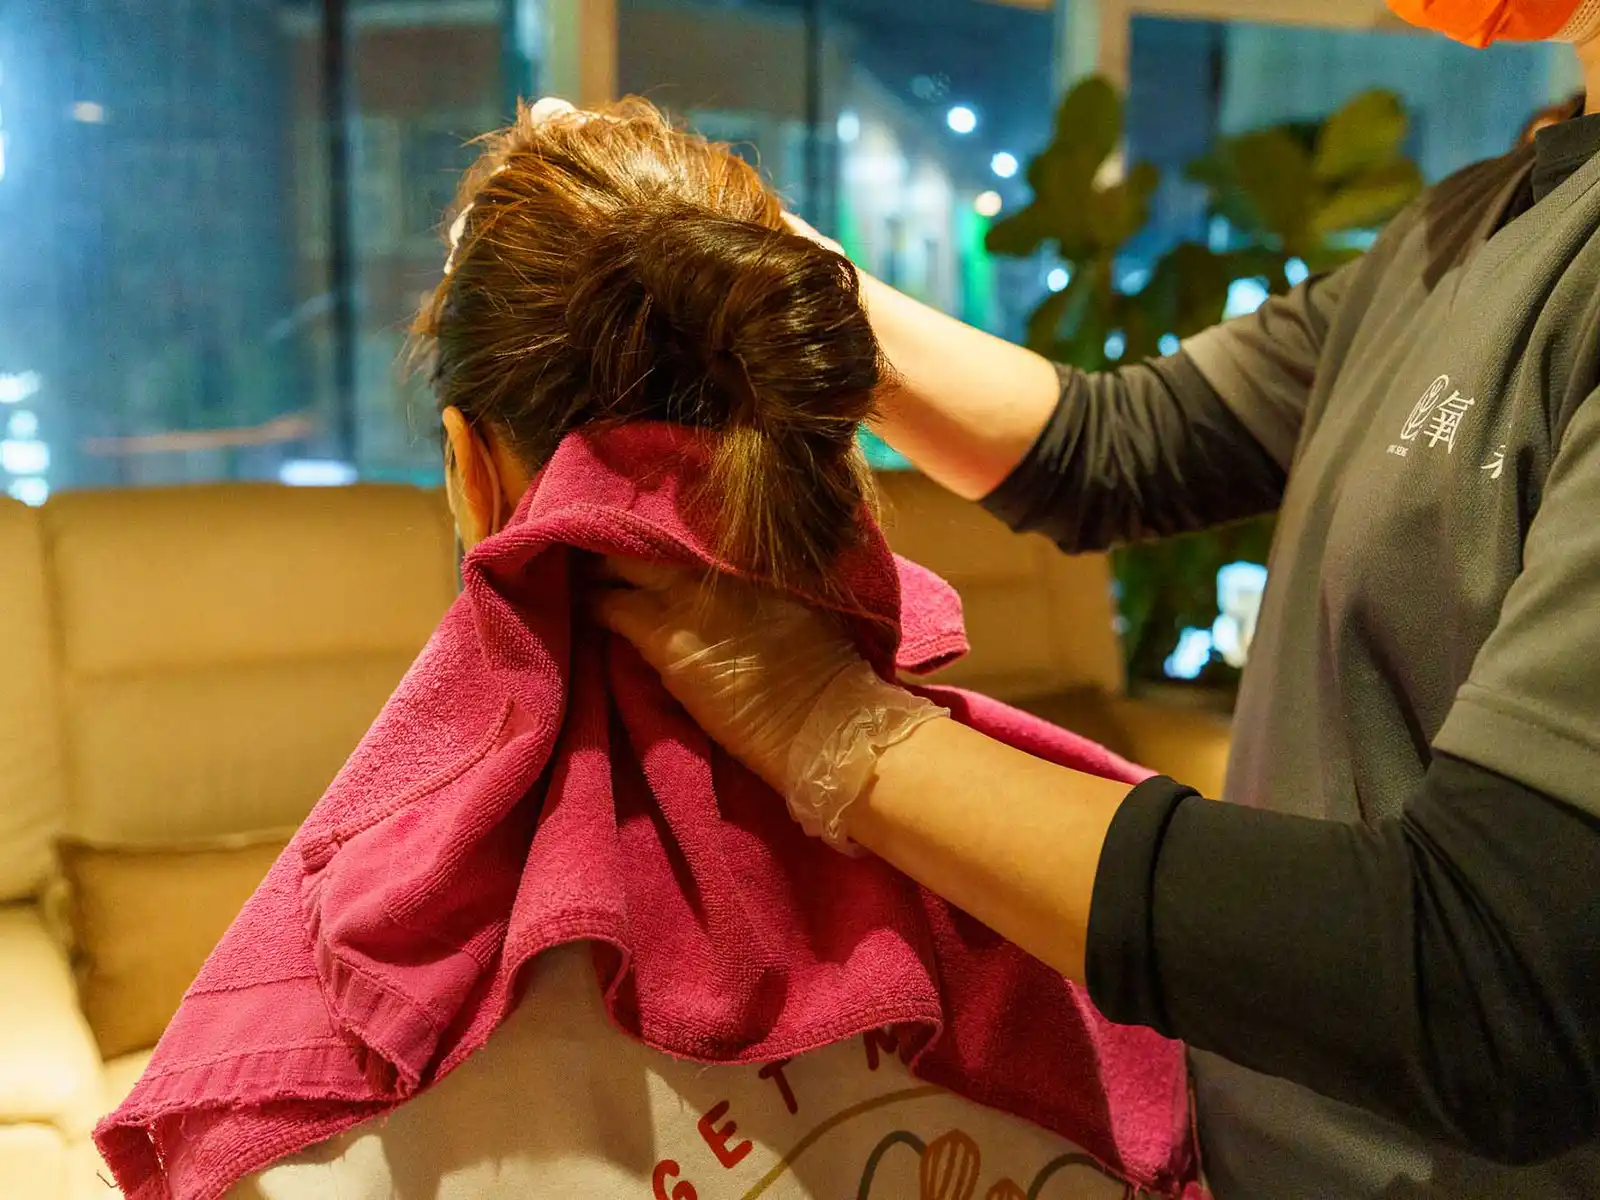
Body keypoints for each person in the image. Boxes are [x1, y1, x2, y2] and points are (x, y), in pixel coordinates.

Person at [595, 5, 1600, 1198]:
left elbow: (1492, 980)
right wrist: (763, 269)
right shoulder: (1463, 227)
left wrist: (826, 722)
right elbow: (1113, 447)